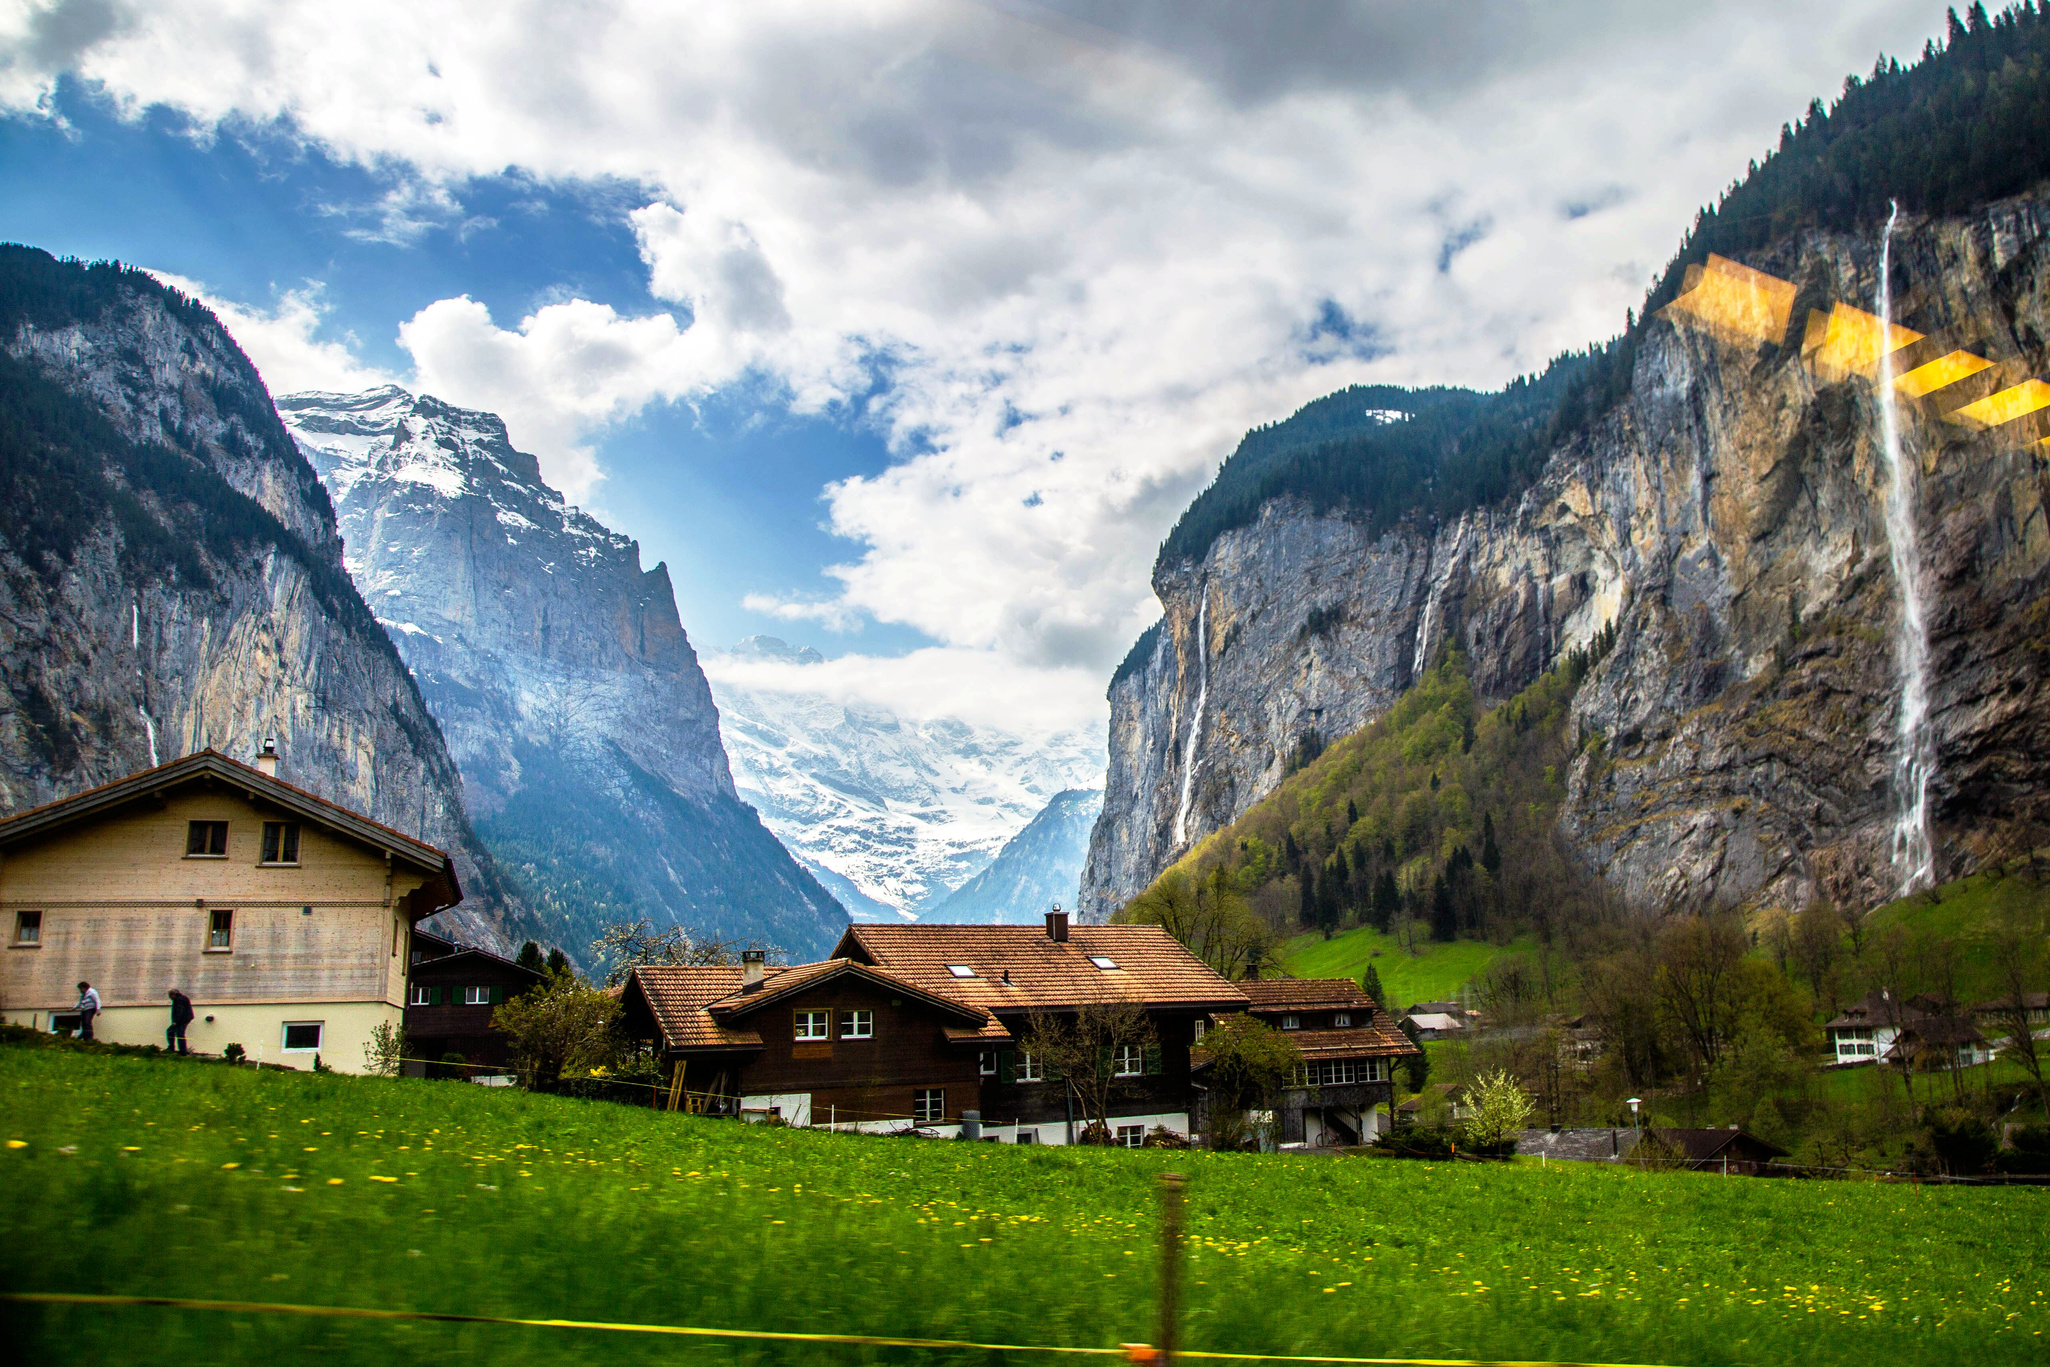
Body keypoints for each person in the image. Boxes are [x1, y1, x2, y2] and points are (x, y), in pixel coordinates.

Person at [166, 988, 194, 1054]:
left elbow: (179, 1011)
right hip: (185, 1019)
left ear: (173, 995)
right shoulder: (183, 998)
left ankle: (180, 1050)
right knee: (178, 1033)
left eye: (170, 996)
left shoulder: (178, 1000)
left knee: (174, 1032)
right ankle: (181, 1050)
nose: (170, 998)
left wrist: (175, 1021)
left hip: (181, 1020)